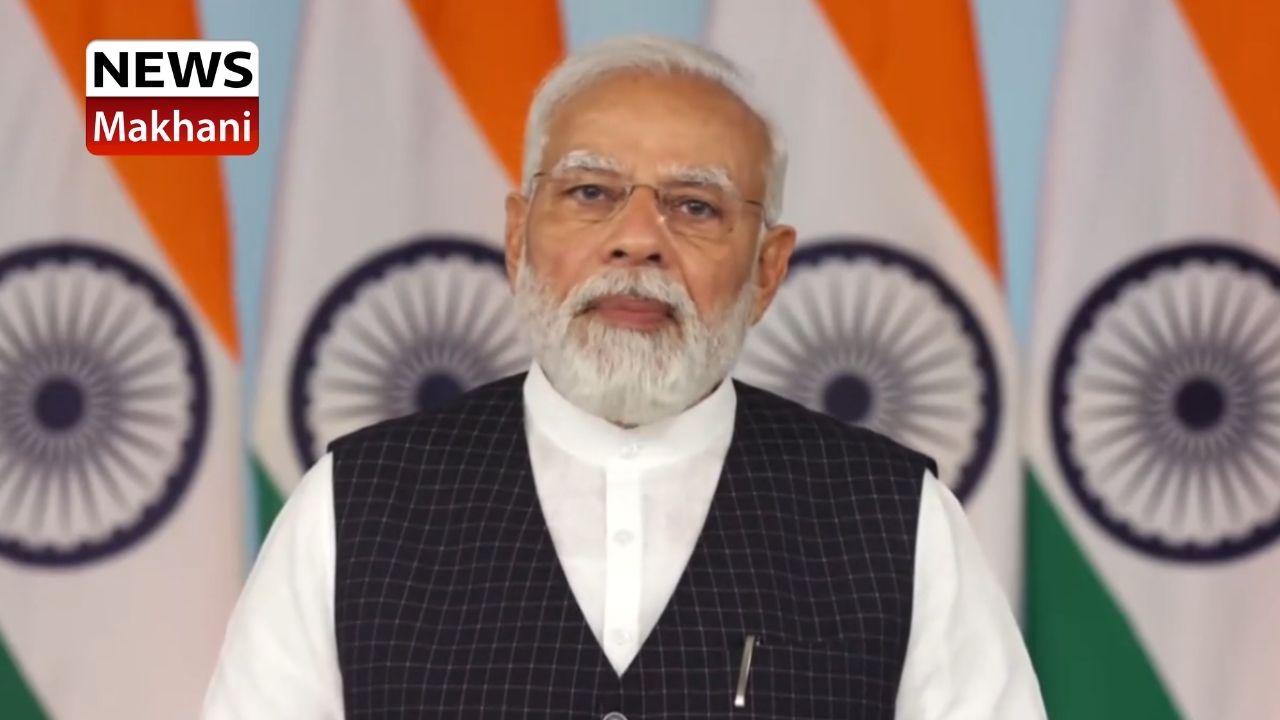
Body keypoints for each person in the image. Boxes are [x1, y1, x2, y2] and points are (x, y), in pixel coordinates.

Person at [204, 35, 1045, 719]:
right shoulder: (355, 506)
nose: (637, 239)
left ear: (766, 271)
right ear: (517, 237)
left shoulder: (895, 518)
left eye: (695, 206)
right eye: (591, 192)